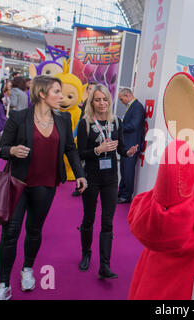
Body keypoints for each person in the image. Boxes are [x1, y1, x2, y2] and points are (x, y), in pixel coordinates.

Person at [0, 75, 88, 300]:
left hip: (46, 185)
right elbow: (1, 148)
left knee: (34, 231)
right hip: (17, 184)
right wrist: (12, 151)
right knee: (10, 233)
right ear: (42, 94)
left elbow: (71, 149)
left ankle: (27, 269)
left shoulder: (63, 119)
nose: (61, 97)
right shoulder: (19, 117)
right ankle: (3, 284)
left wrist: (80, 174)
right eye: (56, 92)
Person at [76, 84, 138, 278]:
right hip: (91, 178)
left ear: (109, 101)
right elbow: (80, 154)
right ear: (92, 102)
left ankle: (105, 265)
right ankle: (86, 254)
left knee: (107, 222)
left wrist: (127, 153)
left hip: (111, 179)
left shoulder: (117, 122)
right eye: (97, 100)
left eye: (105, 99)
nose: (102, 103)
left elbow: (120, 149)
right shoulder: (85, 122)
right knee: (88, 219)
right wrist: (98, 150)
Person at [117, 88, 145, 204]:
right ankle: (122, 192)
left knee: (128, 170)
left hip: (132, 144)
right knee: (123, 169)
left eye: (121, 98)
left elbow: (134, 125)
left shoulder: (137, 107)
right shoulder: (132, 106)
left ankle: (126, 195)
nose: (121, 101)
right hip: (126, 143)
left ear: (127, 95)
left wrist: (119, 126)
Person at [72, 80, 97, 197]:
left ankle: (89, 188)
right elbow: (81, 121)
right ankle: (79, 187)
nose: (91, 91)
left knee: (91, 165)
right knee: (80, 163)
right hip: (83, 138)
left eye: (93, 88)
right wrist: (73, 135)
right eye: (89, 88)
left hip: (94, 138)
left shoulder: (99, 103)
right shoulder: (86, 101)